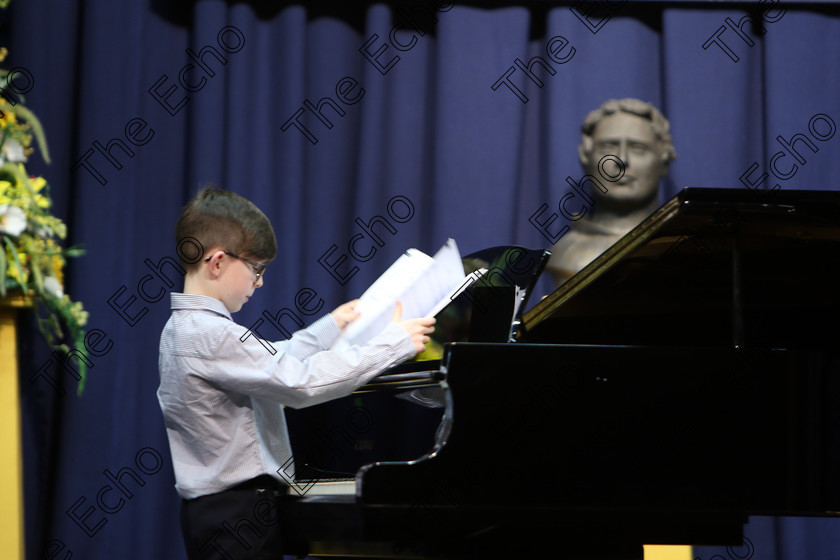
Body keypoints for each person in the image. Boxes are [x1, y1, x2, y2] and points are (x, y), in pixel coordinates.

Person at [157, 186, 435, 560]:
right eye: (256, 269)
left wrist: (332, 325)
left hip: (220, 512)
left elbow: (275, 359)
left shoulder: (188, 328)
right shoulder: (211, 334)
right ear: (218, 262)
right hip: (236, 515)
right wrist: (392, 344)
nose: (260, 282)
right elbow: (298, 381)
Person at [545, 98, 677, 287]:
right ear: (585, 156)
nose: (622, 159)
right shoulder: (564, 253)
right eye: (609, 147)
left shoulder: (679, 248)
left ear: (663, 160)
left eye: (638, 148)